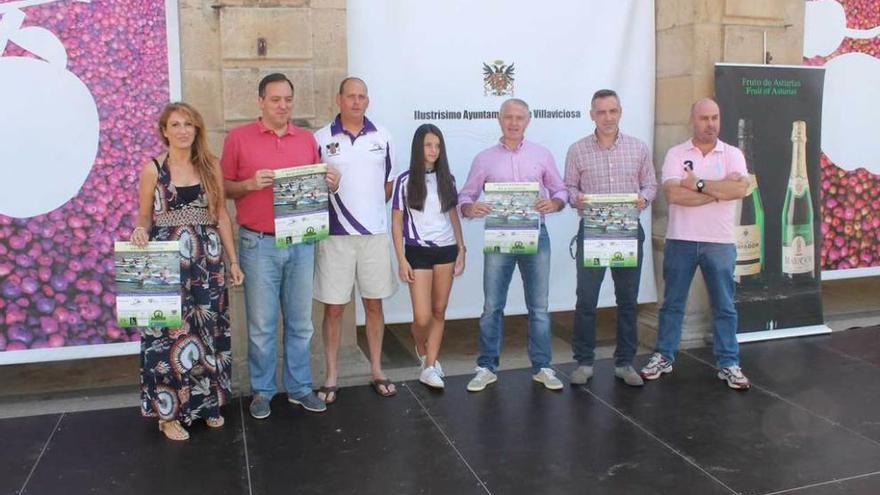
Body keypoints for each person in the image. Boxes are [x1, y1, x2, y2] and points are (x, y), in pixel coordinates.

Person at [221, 73, 340, 419]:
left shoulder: (305, 140)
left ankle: (300, 387)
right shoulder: (238, 139)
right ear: (260, 101)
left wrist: (331, 183)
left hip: (302, 242)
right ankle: (263, 391)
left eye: (288, 99)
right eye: (275, 99)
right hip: (258, 244)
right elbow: (223, 189)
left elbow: (313, 188)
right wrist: (247, 184)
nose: (283, 105)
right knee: (261, 325)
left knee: (301, 322)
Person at [132, 102, 244, 441]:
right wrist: (139, 230)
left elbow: (221, 214)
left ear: (197, 130)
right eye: (176, 125)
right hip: (168, 261)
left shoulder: (210, 165)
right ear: (165, 131)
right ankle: (168, 415)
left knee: (207, 332)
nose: (183, 130)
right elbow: (144, 215)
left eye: (189, 124)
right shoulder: (153, 168)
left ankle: (207, 405)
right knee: (167, 336)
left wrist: (233, 259)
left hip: (206, 264)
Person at [639, 98, 752, 390]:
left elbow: (741, 189)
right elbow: (674, 196)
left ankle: (729, 363)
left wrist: (699, 184)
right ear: (693, 120)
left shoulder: (733, 154)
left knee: (724, 306)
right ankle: (664, 356)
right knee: (672, 304)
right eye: (704, 118)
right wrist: (719, 191)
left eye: (715, 117)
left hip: (720, 242)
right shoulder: (676, 154)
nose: (710, 124)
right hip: (681, 240)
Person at [458, 98, 568, 392]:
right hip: (499, 238)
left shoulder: (541, 155)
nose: (514, 122)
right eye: (509, 117)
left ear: (528, 121)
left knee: (539, 307)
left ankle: (543, 366)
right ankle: (486, 367)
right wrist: (471, 208)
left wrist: (554, 202)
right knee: (492, 306)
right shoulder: (484, 159)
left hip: (537, 236)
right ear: (499, 119)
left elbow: (561, 190)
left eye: (520, 117)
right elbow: (465, 196)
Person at [563, 89, 656, 387]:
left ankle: (625, 363)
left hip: (628, 232)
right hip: (593, 233)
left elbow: (651, 185)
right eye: (601, 112)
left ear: (620, 112)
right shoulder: (577, 150)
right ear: (592, 115)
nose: (607, 117)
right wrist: (579, 199)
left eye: (612, 111)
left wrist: (643, 198)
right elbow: (569, 189)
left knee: (627, 300)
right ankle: (584, 362)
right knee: (586, 300)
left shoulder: (638, 148)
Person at [313, 77, 399, 400]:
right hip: (335, 236)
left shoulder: (383, 135)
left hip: (373, 236)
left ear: (368, 100)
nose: (357, 102)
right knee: (334, 309)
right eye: (351, 96)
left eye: (362, 96)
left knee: (374, 305)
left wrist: (372, 209)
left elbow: (389, 185)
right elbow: (312, 187)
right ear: (339, 99)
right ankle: (331, 375)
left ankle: (376, 369)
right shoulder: (320, 138)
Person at [391, 124, 466, 389]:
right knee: (422, 317)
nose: (433, 151)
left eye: (437, 145)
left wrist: (461, 249)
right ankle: (422, 347)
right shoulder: (404, 180)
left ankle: (431, 364)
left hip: (446, 250)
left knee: (439, 310)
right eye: (428, 145)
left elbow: (453, 215)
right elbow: (397, 222)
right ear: (418, 148)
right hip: (417, 251)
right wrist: (401, 259)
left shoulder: (448, 178)